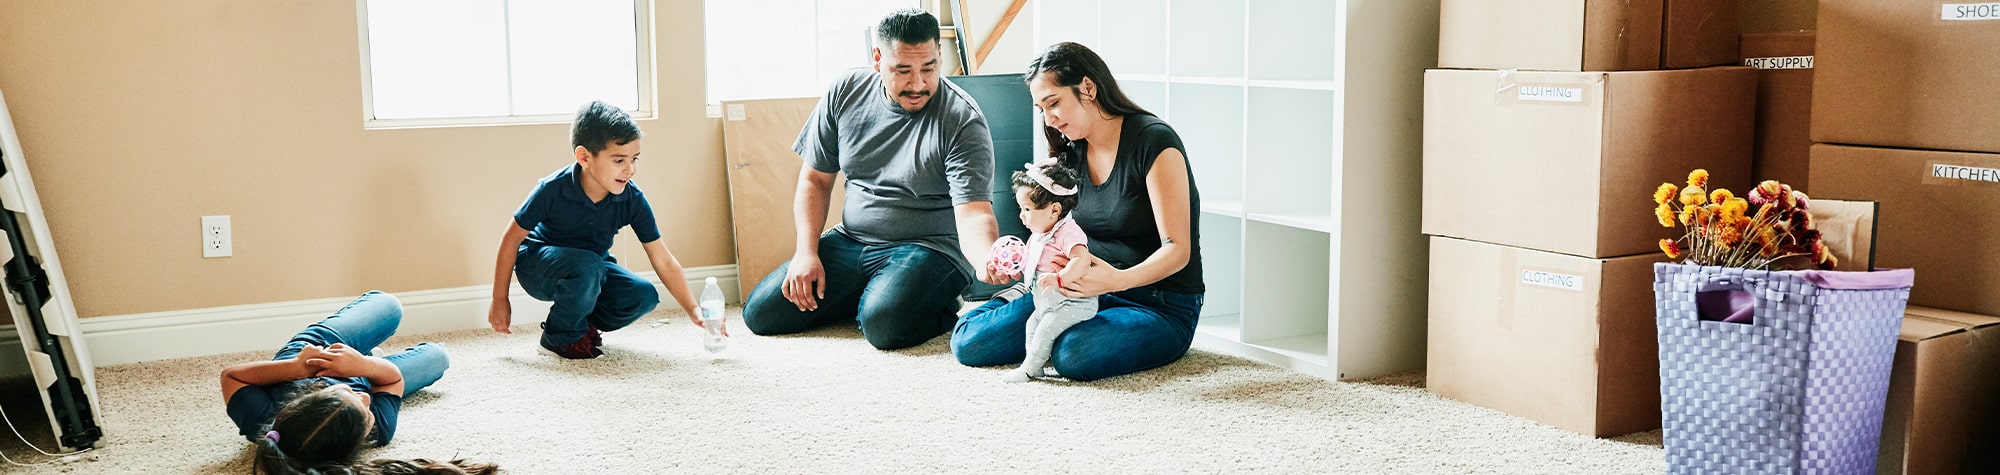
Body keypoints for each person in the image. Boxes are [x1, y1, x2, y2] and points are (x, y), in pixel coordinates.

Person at [740, 8, 1001, 350]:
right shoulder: (846, 91)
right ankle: (875, 296)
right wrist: (806, 252)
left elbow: (974, 212)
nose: (918, 84)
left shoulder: (962, 120)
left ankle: (931, 304)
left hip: (930, 248)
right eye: (903, 70)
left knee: (883, 327)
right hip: (853, 240)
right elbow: (815, 180)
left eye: (929, 68)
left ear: (939, 55)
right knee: (761, 314)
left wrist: (985, 259)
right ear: (878, 59)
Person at [951, 42, 1206, 382]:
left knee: (1072, 354)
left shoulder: (1153, 143)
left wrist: (1118, 279)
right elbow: (1055, 231)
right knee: (969, 342)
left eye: (1053, 103)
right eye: (1041, 108)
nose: (1048, 118)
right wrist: (1029, 266)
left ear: (1088, 87)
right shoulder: (1070, 154)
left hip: (1159, 302)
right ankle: (1016, 297)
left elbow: (1179, 249)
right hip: (1081, 290)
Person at [486, 100, 707, 359]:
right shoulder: (552, 189)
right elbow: (510, 240)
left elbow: (662, 258)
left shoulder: (631, 198)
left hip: (591, 270)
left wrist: (694, 309)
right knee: (588, 265)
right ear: (584, 157)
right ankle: (557, 339)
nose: (630, 169)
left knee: (643, 295)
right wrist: (500, 300)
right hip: (538, 267)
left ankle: (577, 325)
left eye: (634, 159)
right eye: (619, 160)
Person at [219, 291, 495, 474]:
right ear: (357, 441)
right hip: (370, 374)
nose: (364, 399)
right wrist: (363, 366)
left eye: (347, 392)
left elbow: (232, 375)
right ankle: (371, 357)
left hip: (315, 355)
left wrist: (296, 368)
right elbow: (391, 381)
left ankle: (350, 361)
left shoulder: (264, 420)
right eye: (365, 409)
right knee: (438, 356)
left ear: (308, 397)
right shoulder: (377, 430)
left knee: (389, 305)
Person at [984, 158, 1096, 383]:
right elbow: (1031, 263)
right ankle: (1036, 368)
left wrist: (1060, 278)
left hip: (1074, 303)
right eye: (1020, 209)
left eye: (1027, 209)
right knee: (1031, 324)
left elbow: (1081, 260)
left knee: (1045, 329)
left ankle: (1027, 370)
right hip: (1048, 302)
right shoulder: (1038, 235)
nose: (1021, 216)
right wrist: (1006, 264)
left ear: (1054, 210)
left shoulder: (1068, 233)